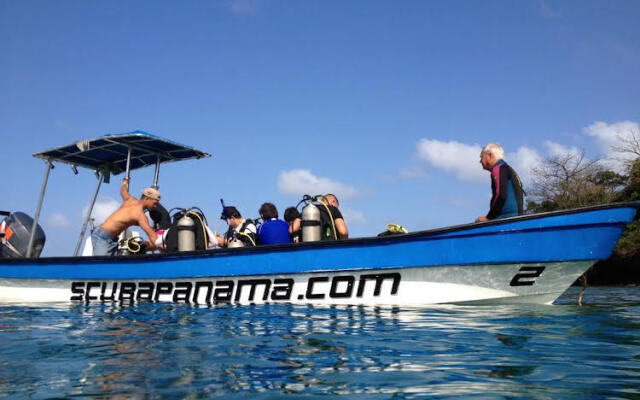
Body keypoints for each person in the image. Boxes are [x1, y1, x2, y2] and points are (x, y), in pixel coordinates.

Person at [91, 177, 159, 256]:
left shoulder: (130, 200)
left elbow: (123, 191)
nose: (155, 206)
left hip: (109, 237)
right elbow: (151, 235)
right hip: (103, 237)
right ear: (147, 198)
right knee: (103, 265)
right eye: (155, 203)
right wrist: (163, 246)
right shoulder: (140, 215)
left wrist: (125, 183)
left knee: (112, 266)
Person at [475, 143, 524, 222]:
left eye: (481, 157)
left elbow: (501, 195)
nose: (480, 161)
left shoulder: (498, 168)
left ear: (490, 156)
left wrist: (489, 218)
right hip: (515, 216)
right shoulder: (505, 168)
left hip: (507, 217)